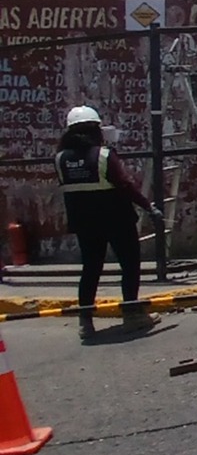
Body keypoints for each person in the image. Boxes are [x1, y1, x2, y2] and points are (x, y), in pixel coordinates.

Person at [54, 105, 161, 335]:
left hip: (84, 223)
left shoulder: (60, 158)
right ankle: (132, 314)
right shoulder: (103, 155)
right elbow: (125, 185)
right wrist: (148, 206)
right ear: (95, 129)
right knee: (130, 264)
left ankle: (85, 321)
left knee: (91, 268)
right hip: (116, 219)